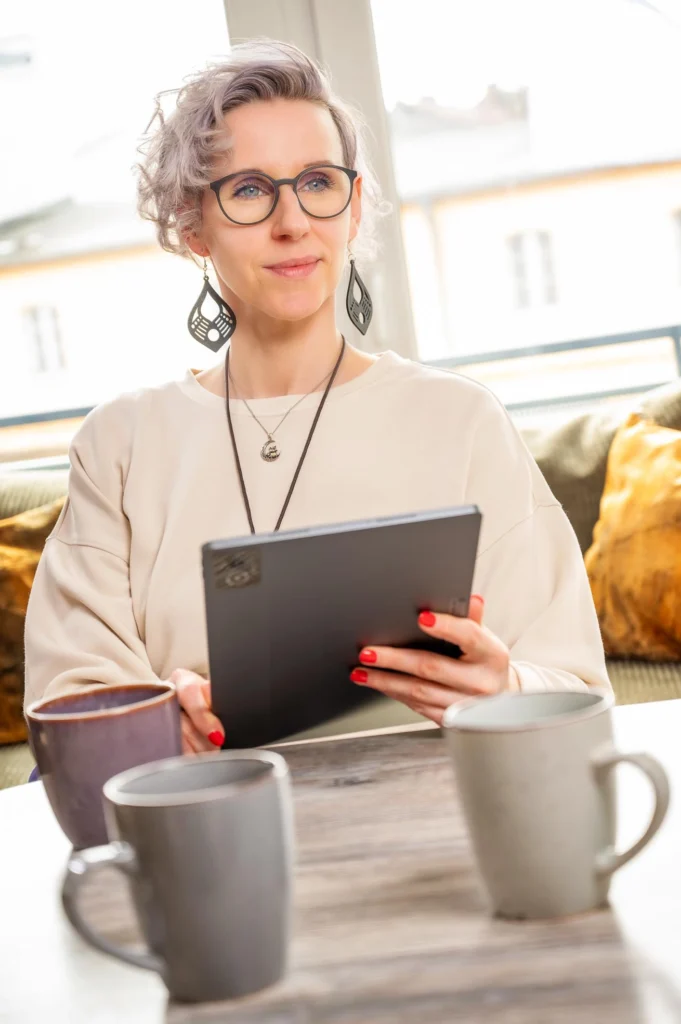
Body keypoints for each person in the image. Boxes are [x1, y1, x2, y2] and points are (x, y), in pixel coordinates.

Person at [23, 40, 611, 754]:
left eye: (317, 182)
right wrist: (152, 726)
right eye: (247, 190)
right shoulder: (119, 444)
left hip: (435, 823)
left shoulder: (459, 420)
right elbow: (70, 708)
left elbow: (577, 688)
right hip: (214, 830)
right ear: (191, 226)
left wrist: (506, 689)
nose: (292, 221)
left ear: (354, 206)